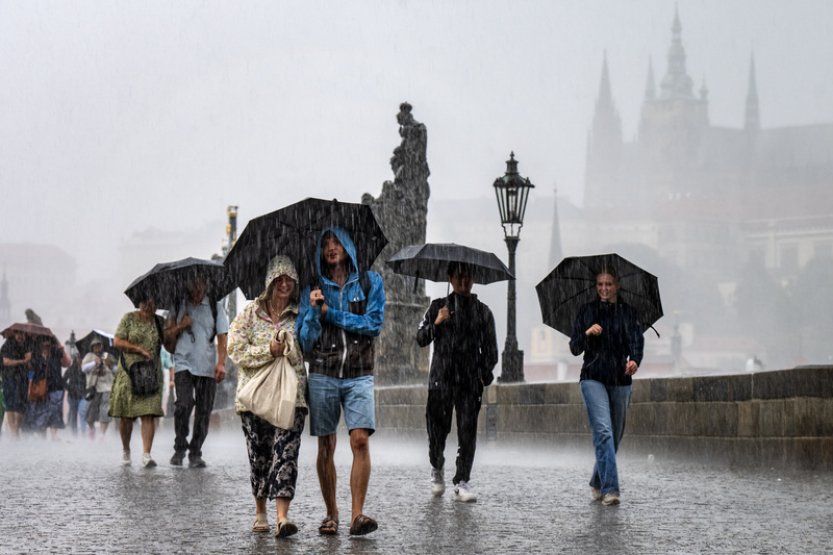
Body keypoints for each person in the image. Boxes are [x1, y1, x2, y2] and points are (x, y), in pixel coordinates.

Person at [297, 227, 385, 537]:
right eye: (326, 243)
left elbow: (373, 324)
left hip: (359, 372)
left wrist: (330, 313)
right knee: (326, 445)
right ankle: (331, 512)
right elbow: (305, 342)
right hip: (323, 371)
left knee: (360, 439)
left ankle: (357, 514)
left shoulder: (370, 282)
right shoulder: (313, 287)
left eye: (337, 242)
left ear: (348, 246)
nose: (331, 248)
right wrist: (312, 312)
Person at [228, 255, 308, 538]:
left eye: (290, 280)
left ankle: (282, 517)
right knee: (260, 456)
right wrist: (268, 351)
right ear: (269, 282)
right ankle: (260, 511)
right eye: (279, 279)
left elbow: (307, 352)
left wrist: (288, 348)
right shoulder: (250, 313)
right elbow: (235, 350)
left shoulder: (301, 314)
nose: (284, 284)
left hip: (291, 397)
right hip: (255, 398)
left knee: (287, 455)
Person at [416, 262, 498, 502]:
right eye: (459, 276)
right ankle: (437, 466)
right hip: (441, 380)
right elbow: (421, 338)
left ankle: (462, 480)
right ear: (450, 279)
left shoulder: (482, 312)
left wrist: (483, 374)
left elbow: (491, 350)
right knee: (436, 430)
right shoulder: (437, 307)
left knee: (467, 432)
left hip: (469, 381)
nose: (464, 281)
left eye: (468, 277)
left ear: (473, 279)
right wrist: (437, 322)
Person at [569, 268, 644, 506]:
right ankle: (611, 489)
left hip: (620, 379)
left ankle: (597, 479)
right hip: (592, 377)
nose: (604, 288)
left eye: (608, 284)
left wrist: (635, 360)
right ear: (595, 286)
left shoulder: (628, 313)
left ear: (617, 285)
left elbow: (637, 341)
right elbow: (574, 347)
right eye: (600, 284)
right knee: (603, 432)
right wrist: (587, 333)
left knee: (615, 436)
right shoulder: (587, 311)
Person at [164, 276, 229, 468]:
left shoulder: (216, 307)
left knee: (204, 410)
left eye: (201, 284)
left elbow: (222, 337)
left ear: (207, 285)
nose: (198, 288)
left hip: (206, 366)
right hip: (183, 363)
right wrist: (181, 326)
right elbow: (166, 335)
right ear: (188, 285)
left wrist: (221, 363)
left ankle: (195, 452)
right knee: (183, 405)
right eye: (194, 284)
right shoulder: (178, 305)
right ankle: (179, 448)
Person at [110, 295, 165, 467]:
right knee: (126, 415)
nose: (148, 305)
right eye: (145, 301)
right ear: (139, 303)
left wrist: (179, 327)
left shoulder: (160, 321)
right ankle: (126, 450)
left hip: (151, 372)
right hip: (129, 372)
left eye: (152, 302)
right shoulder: (128, 318)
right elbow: (117, 341)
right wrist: (138, 350)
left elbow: (170, 344)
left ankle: (146, 454)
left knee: (148, 412)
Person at [25, 337, 71, 438]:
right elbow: (30, 370)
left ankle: (54, 437)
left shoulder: (57, 352)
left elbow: (67, 363)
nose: (46, 345)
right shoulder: (35, 355)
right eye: (44, 342)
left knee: (55, 412)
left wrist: (62, 349)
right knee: (41, 413)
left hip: (56, 386)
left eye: (48, 343)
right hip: (41, 388)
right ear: (40, 344)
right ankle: (43, 438)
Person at [81, 337, 117, 439]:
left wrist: (111, 365)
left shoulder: (107, 355)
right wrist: (94, 363)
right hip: (94, 388)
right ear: (92, 347)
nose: (97, 347)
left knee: (104, 412)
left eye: (99, 345)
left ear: (102, 346)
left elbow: (117, 370)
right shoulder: (89, 356)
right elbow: (83, 369)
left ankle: (102, 435)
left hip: (107, 387)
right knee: (89, 415)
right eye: (95, 346)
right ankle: (92, 429)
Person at [1, 329, 33, 439]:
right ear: (14, 334)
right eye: (18, 333)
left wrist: (29, 360)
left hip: (22, 379)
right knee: (10, 405)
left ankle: (16, 428)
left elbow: (29, 362)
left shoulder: (26, 345)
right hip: (9, 378)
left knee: (21, 407)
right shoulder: (7, 345)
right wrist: (21, 361)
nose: (20, 336)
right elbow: (6, 361)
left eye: (22, 333)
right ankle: (13, 433)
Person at [63, 351, 87, 436]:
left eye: (82, 358)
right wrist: (69, 388)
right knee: (74, 415)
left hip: (82, 395)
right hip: (72, 396)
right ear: (76, 359)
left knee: (83, 413)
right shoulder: (71, 369)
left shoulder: (85, 369)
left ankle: (83, 432)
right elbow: (63, 381)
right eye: (79, 358)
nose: (80, 360)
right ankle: (74, 434)